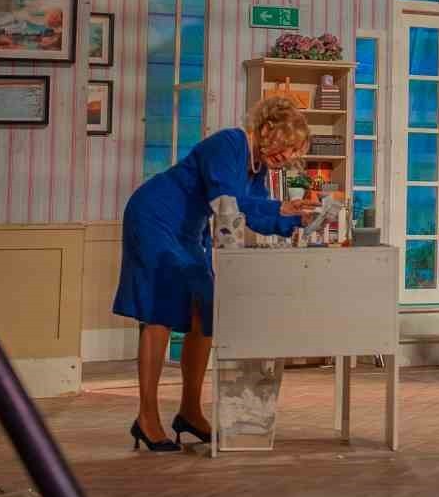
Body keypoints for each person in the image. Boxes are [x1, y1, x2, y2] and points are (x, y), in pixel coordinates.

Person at [112, 96, 315, 451]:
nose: (288, 156)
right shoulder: (229, 143)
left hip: (189, 230)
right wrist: (280, 206)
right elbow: (227, 203)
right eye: (287, 145)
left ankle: (190, 411)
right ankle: (147, 417)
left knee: (205, 312)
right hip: (155, 215)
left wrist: (295, 217)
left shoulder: (257, 169)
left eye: (295, 151)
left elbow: (252, 216)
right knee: (159, 311)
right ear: (268, 129)